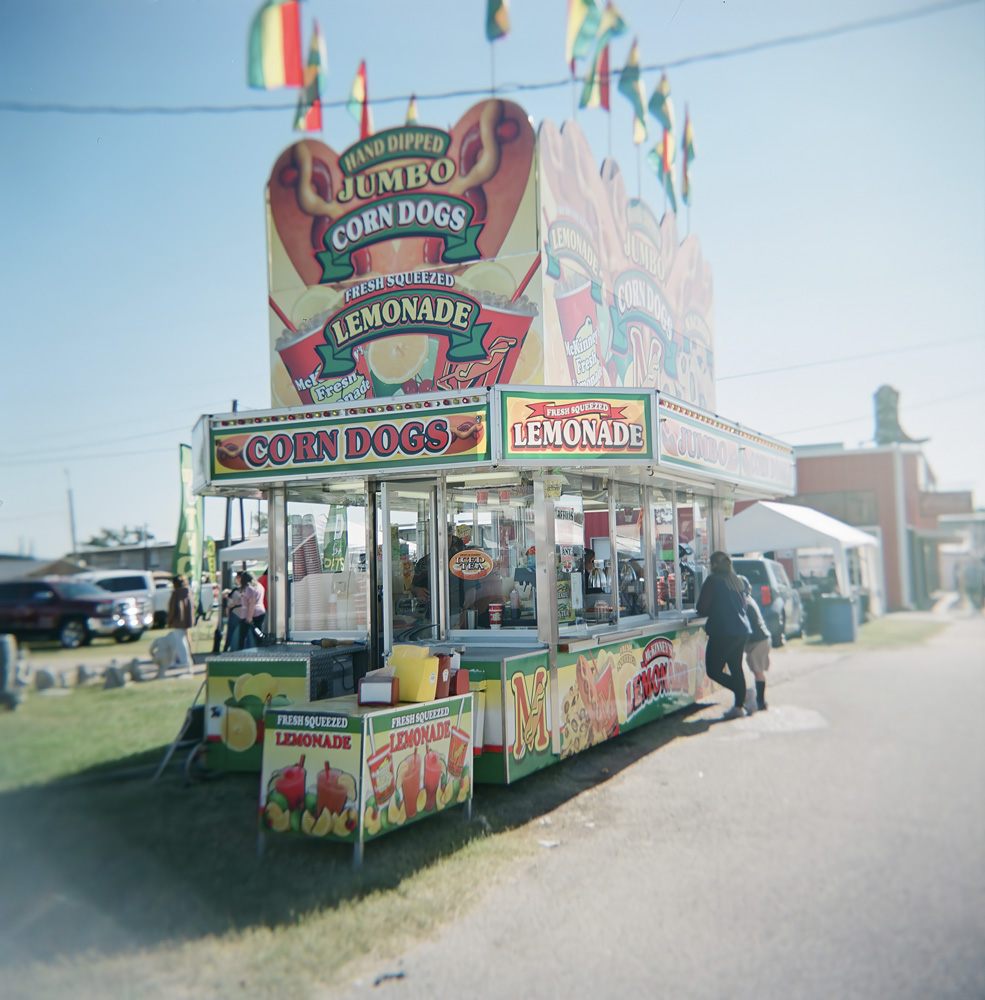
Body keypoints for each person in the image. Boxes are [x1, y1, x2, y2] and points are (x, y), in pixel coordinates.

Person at [696, 551, 752, 719]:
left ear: (713, 565)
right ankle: (739, 706)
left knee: (713, 670)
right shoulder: (737, 582)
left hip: (722, 631)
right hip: (741, 630)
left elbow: (702, 608)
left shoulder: (712, 581)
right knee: (736, 668)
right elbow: (744, 607)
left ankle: (742, 694)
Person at [739, 575, 771, 711]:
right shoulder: (749, 599)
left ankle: (760, 701)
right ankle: (760, 701)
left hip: (758, 641)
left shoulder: (744, 601)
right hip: (763, 638)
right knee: (758, 671)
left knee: (758, 671)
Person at [166, 574, 194, 673]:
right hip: (186, 621)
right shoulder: (187, 590)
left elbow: (174, 608)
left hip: (178, 621)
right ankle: (180, 661)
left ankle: (184, 662)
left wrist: (169, 620)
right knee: (184, 640)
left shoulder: (177, 593)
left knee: (180, 641)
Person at [235, 570, 266, 649]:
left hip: (249, 614)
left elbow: (251, 603)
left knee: (242, 635)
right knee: (257, 632)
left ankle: (240, 651)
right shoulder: (259, 585)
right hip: (261, 611)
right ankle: (261, 648)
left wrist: (249, 617)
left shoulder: (248, 588)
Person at [222, 578, 242, 652]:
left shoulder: (233, 595)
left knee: (230, 633)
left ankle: (226, 648)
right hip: (241, 614)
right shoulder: (238, 592)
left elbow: (228, 608)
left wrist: (228, 617)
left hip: (235, 614)